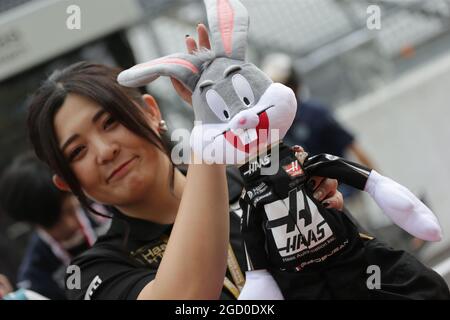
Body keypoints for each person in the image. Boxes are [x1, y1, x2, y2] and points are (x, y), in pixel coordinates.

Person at [25, 25, 343, 300]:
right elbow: (185, 297)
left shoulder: (255, 181)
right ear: (68, 182)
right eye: (77, 152)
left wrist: (326, 215)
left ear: (151, 112)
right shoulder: (93, 273)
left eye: (110, 123)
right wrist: (208, 129)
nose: (105, 151)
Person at [261, 53, 376, 198]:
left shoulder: (315, 114)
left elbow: (351, 145)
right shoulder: (275, 128)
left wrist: (377, 185)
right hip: (312, 201)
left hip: (343, 192)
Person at [0, 153, 103, 299]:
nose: (71, 223)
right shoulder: (36, 274)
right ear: (36, 223)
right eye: (57, 222)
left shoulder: (107, 210)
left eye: (70, 211)